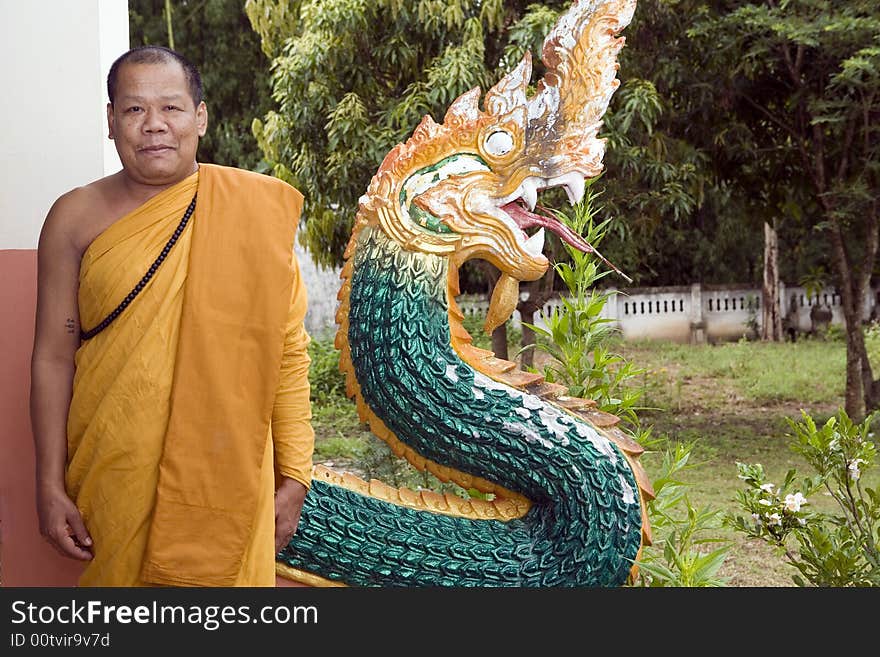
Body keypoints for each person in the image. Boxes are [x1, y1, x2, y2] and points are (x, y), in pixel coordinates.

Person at [29, 45, 315, 586]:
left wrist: (295, 475)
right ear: (111, 122)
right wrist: (48, 482)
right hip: (115, 467)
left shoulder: (252, 213)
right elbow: (52, 355)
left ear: (200, 117)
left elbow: (286, 351)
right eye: (134, 110)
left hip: (228, 471)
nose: (154, 125)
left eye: (172, 108)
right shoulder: (75, 217)